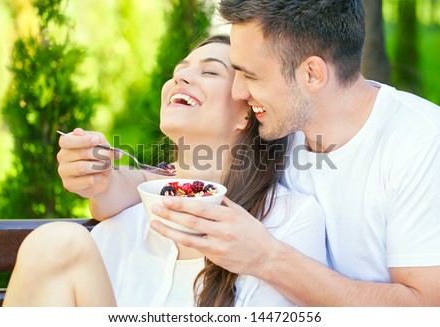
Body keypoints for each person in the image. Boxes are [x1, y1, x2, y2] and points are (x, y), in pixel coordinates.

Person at [143, 0, 440, 306]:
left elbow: (426, 308)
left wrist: (267, 259)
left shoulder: (421, 145)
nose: (239, 93)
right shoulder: (285, 127)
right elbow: (201, 171)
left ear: (312, 74)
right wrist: (118, 181)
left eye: (252, 76)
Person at [3, 35, 327, 307]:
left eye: (210, 73)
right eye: (179, 71)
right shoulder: (123, 225)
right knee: (58, 242)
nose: (180, 78)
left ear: (248, 111)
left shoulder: (289, 220)